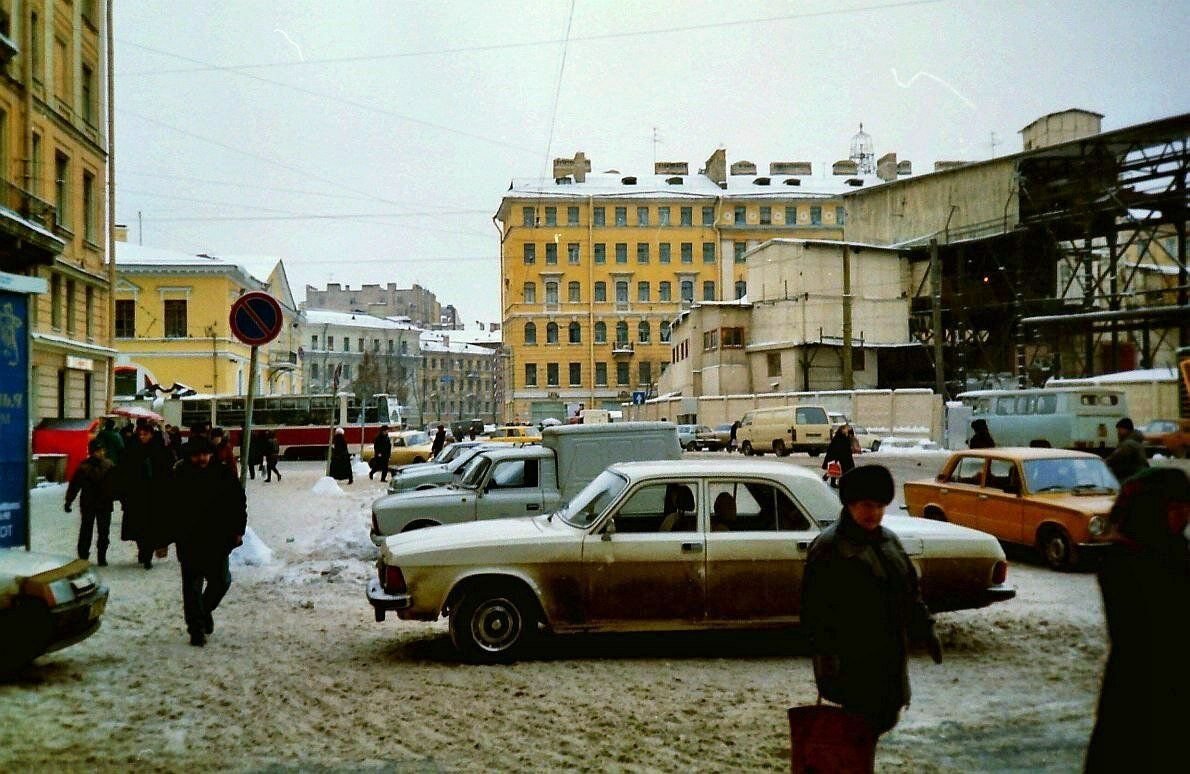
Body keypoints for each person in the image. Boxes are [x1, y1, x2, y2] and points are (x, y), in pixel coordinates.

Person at [801, 465, 943, 736]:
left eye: (880, 506)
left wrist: (926, 630)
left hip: (888, 661)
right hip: (851, 665)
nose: (874, 513)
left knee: (878, 726)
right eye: (867, 505)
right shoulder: (829, 548)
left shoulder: (889, 541)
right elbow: (813, 615)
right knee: (855, 735)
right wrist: (828, 664)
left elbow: (910, 594)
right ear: (850, 503)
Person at [1085, 467, 1189, 772]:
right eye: (1176, 507)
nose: (1184, 516)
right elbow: (1157, 627)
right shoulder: (1126, 560)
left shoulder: (1168, 549)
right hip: (1143, 690)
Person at [167, 436, 247, 647]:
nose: (202, 458)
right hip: (189, 539)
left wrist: (238, 529)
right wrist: (163, 539)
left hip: (217, 539)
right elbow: (167, 509)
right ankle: (196, 629)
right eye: (197, 455)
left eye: (205, 454)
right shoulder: (179, 476)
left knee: (222, 581)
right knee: (192, 586)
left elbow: (238, 503)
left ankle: (203, 611)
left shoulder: (223, 473)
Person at [115, 419, 175, 569]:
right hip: (136, 496)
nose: (142, 436)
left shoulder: (160, 450)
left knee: (150, 527)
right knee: (139, 528)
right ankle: (143, 550)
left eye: (145, 434)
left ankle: (147, 555)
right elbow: (123, 473)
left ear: (151, 434)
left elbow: (167, 473)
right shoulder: (130, 449)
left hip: (155, 496)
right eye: (140, 433)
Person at [64, 439, 116, 566]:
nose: (101, 453)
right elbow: (75, 485)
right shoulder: (85, 467)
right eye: (99, 451)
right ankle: (84, 556)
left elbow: (115, 483)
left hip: (102, 503)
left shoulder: (108, 465)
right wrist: (68, 501)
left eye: (102, 450)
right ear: (92, 452)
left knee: (103, 532)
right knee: (87, 531)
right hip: (90, 503)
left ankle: (101, 556)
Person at [1104, 417, 1148, 482]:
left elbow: (1114, 458)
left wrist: (1101, 463)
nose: (1118, 433)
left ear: (1126, 429)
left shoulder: (1128, 444)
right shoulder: (1135, 441)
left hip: (1131, 477)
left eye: (1119, 430)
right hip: (1138, 475)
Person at [822, 424, 856, 488]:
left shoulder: (845, 436)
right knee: (836, 469)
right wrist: (837, 457)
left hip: (845, 456)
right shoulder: (839, 437)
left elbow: (851, 435)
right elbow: (837, 448)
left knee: (840, 470)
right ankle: (831, 481)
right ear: (842, 430)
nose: (847, 430)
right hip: (839, 456)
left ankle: (835, 481)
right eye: (846, 429)